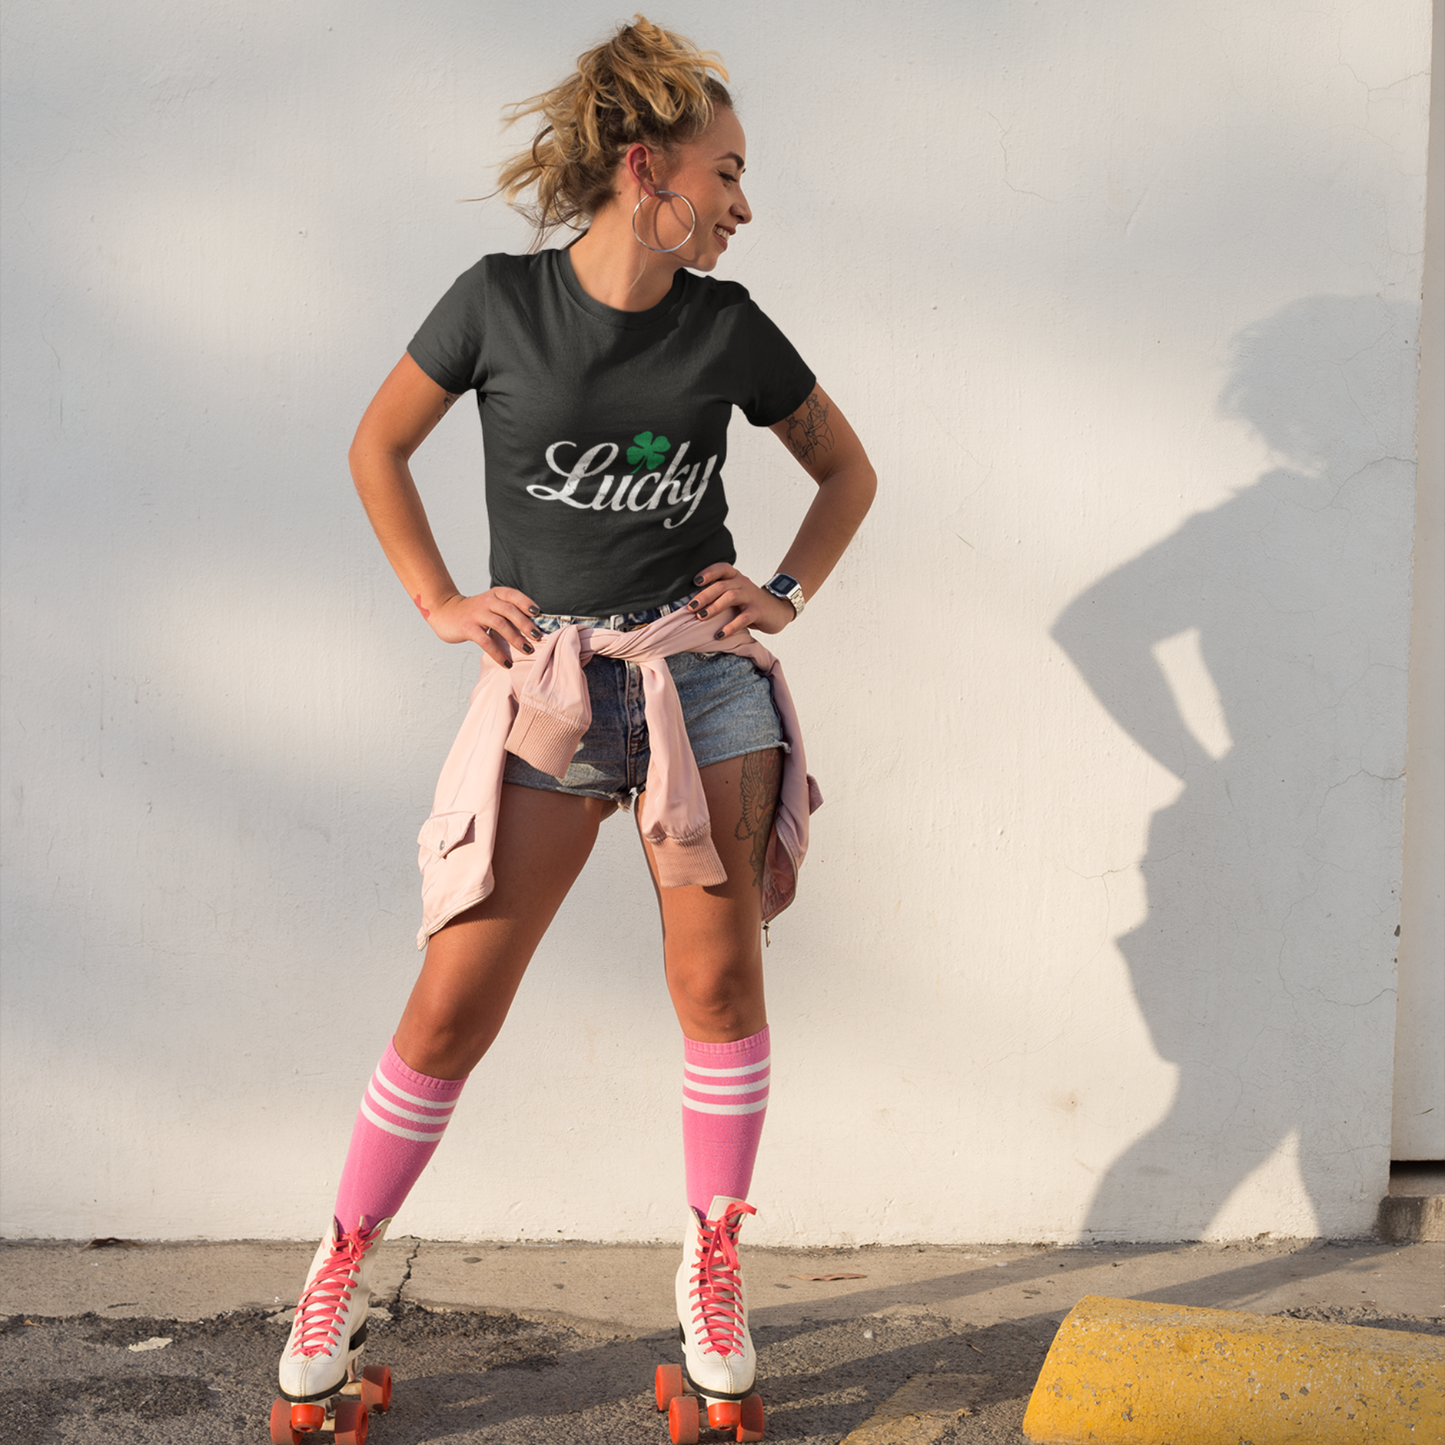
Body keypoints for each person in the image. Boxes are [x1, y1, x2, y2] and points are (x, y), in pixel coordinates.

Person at [273, 16, 876, 1433]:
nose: (744, 203)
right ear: (644, 164)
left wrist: (780, 589)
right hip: (548, 693)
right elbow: (378, 444)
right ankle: (339, 1265)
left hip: (701, 687)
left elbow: (845, 471)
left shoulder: (728, 328)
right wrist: (437, 598)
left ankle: (714, 1261)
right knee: (454, 1000)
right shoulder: (497, 303)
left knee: (718, 989)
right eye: (727, 172)